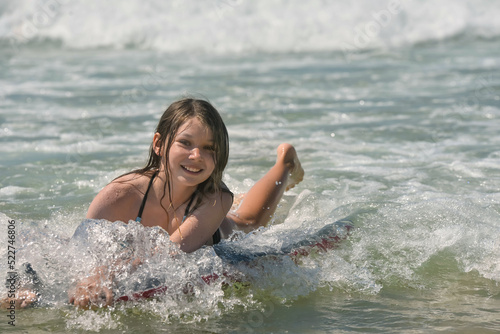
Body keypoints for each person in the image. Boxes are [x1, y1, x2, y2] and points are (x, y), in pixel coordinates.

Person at [7, 98, 304, 309]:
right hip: (171, 225)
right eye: (185, 143)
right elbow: (79, 255)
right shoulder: (118, 196)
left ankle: (285, 162)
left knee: (249, 220)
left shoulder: (216, 198)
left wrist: (107, 274)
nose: (197, 155)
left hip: (215, 231)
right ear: (159, 144)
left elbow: (169, 253)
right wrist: (27, 286)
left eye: (209, 149)